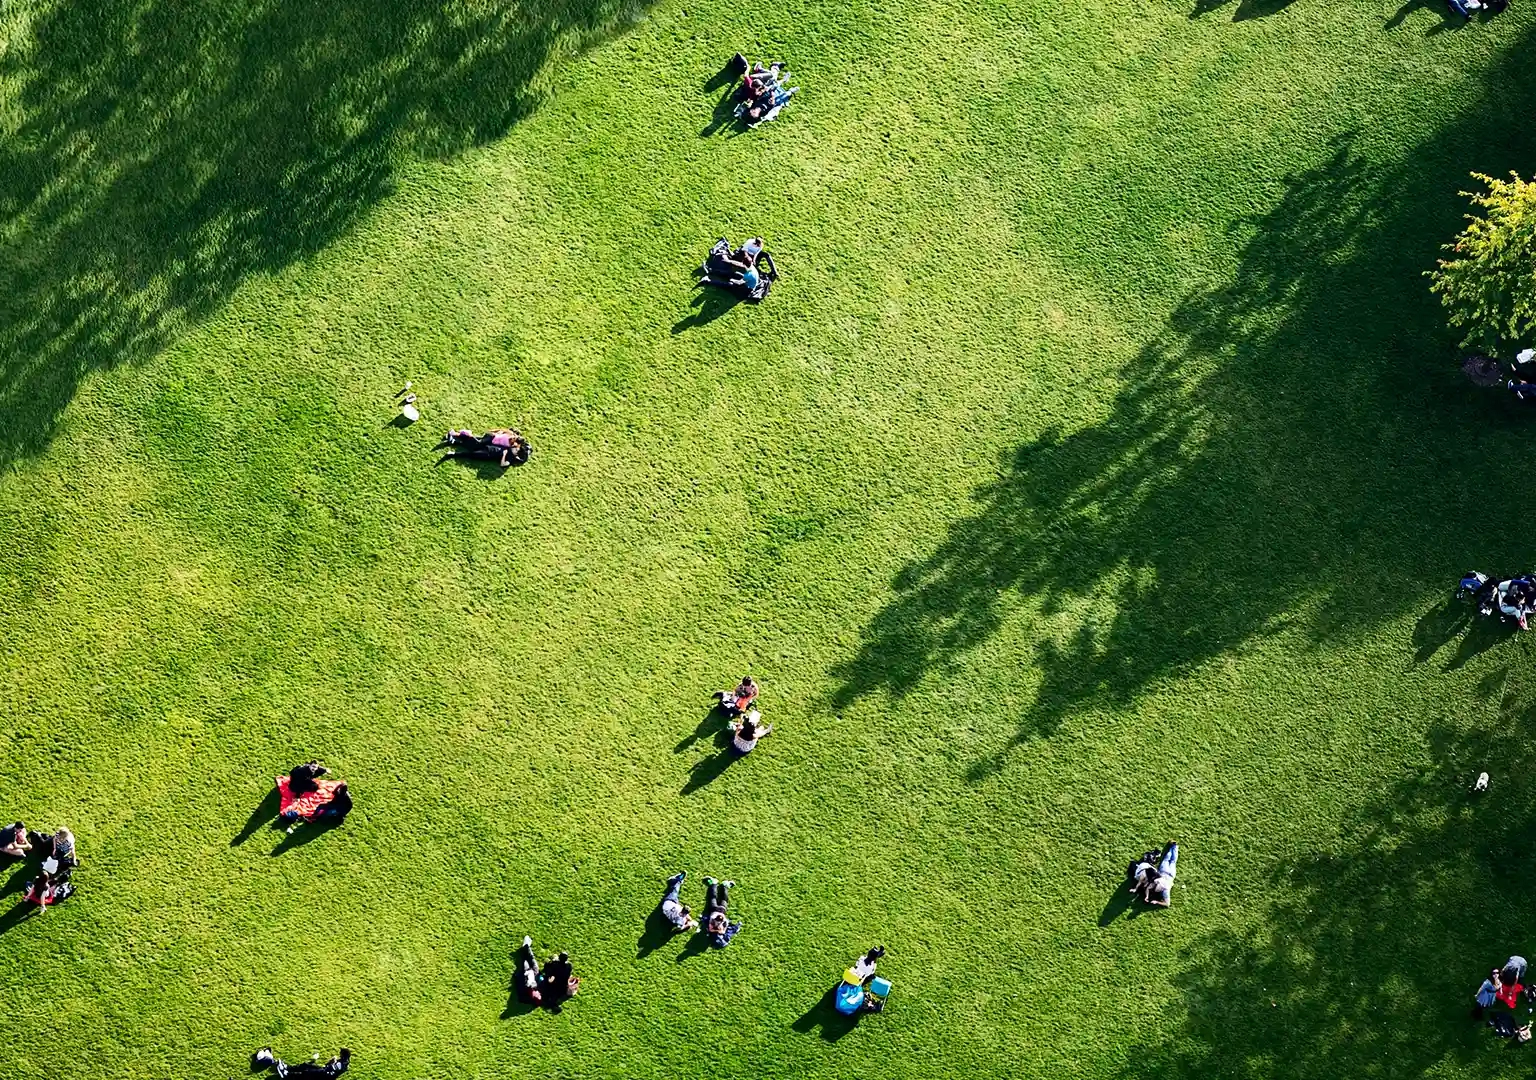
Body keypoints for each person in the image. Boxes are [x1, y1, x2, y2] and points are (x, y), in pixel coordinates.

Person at [253, 1047, 351, 1079]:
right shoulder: (344, 1062)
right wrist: (332, 1061)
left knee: (306, 1073)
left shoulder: (342, 1064)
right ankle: (288, 1067)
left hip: (325, 1075)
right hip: (325, 1072)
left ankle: (287, 1074)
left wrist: (330, 1062)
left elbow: (330, 1069)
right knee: (306, 1065)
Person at [701, 877, 741, 947]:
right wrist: (719, 930)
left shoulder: (714, 920)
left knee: (712, 897)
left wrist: (718, 930)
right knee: (724, 899)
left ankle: (714, 884)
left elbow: (711, 929)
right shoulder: (716, 919)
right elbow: (723, 930)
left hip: (714, 909)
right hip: (722, 909)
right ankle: (724, 886)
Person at [1143, 843, 1178, 907]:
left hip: (1171, 875)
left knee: (1173, 861)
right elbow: (1167, 904)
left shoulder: (1166, 890)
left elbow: (1167, 904)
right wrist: (1147, 897)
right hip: (1164, 871)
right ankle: (1173, 846)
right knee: (1167, 860)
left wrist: (1157, 902)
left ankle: (1175, 847)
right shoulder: (1157, 882)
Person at [514, 935, 544, 1006]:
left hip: (526, 974)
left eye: (538, 995)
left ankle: (525, 947)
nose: (539, 994)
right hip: (534, 975)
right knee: (533, 961)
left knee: (525, 962)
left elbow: (520, 986)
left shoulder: (526, 993)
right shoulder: (538, 990)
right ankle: (526, 947)